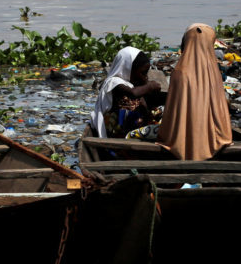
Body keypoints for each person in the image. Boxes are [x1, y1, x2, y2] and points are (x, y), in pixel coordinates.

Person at [157, 23, 233, 161]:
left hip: (181, 140)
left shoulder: (180, 72)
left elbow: (173, 114)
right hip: (215, 138)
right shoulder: (214, 71)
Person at [90, 47, 162, 138]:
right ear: (128, 69)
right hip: (114, 131)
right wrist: (150, 86)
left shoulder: (132, 84)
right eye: (143, 73)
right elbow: (133, 94)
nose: (146, 77)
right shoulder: (113, 82)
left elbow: (143, 105)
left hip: (129, 126)